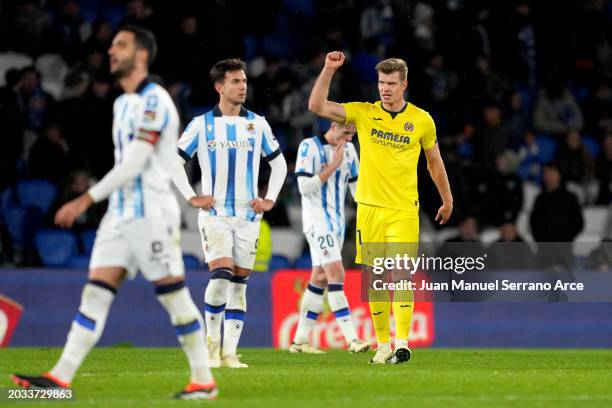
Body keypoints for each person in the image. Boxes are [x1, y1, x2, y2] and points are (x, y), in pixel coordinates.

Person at [11, 26, 217, 400]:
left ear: (140, 55)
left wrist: (84, 199)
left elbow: (137, 162)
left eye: (120, 45)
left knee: (173, 296)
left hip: (151, 214)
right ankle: (60, 377)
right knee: (95, 294)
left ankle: (203, 380)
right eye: (112, 45)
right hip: (119, 216)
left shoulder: (156, 101)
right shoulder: (121, 103)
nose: (110, 51)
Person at [308, 52, 453, 364]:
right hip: (370, 208)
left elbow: (434, 162)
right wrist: (328, 70)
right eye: (381, 82)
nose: (384, 88)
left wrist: (447, 198)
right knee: (374, 278)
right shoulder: (362, 113)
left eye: (391, 83)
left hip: (403, 210)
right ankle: (383, 345)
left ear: (404, 85)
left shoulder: (422, 120)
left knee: (401, 276)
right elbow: (317, 106)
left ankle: (402, 343)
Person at [169, 58, 288, 368]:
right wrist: (192, 197)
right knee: (220, 276)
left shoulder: (258, 124)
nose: (243, 85)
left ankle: (229, 353)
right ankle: (210, 348)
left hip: (249, 217)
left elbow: (279, 164)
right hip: (216, 215)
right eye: (236, 81)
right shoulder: (201, 124)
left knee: (238, 284)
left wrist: (270, 199)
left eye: (244, 81)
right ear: (219, 87)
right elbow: (174, 161)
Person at [289, 122, 371, 354]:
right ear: (333, 126)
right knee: (337, 273)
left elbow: (356, 189)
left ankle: (300, 341)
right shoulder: (309, 146)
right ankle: (352, 339)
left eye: (352, 135)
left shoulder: (349, 150)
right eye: (345, 133)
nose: (347, 139)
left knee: (321, 277)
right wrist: (333, 166)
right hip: (317, 221)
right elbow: (304, 188)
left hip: (337, 224)